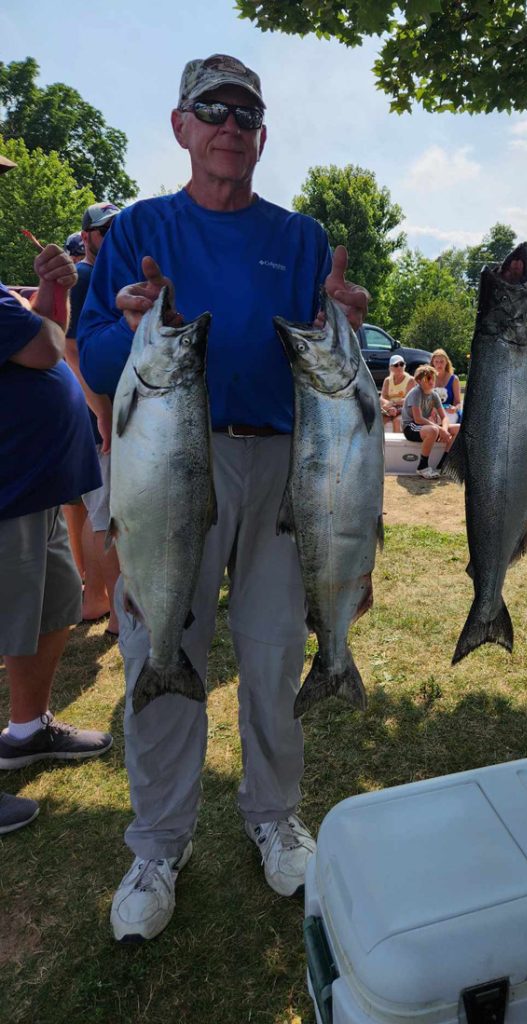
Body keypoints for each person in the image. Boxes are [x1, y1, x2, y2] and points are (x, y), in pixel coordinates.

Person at [77, 54, 369, 942]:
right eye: (213, 110)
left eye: (246, 113)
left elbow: (335, 356)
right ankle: (158, 844)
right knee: (158, 647)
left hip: (286, 463)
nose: (230, 126)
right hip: (168, 465)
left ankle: (273, 816)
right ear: (181, 126)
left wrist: (350, 315)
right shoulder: (137, 228)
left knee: (277, 652)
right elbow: (91, 356)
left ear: (262, 136)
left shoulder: (304, 236)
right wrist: (124, 324)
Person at [0, 152, 113, 836]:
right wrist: (55, 298)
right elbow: (44, 347)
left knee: (53, 608)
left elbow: (34, 333)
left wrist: (42, 295)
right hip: (7, 486)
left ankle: (25, 729)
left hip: (32, 485)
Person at [63, 202, 122, 635]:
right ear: (86, 237)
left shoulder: (102, 278)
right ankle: (113, 610)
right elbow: (70, 350)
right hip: (99, 418)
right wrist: (101, 411)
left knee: (100, 511)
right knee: (105, 514)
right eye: (105, 230)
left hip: (106, 414)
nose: (113, 236)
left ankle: (99, 599)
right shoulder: (83, 278)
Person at [402, 364, 459, 479]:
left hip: (424, 427)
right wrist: (439, 430)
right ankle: (422, 467)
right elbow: (417, 419)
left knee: (458, 428)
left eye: (433, 377)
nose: (432, 381)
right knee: (433, 430)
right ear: (418, 381)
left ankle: (443, 464)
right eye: (428, 378)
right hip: (410, 427)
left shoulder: (434, 395)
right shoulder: (416, 392)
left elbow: (445, 417)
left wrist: (444, 429)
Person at [380, 354, 414, 431]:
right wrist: (389, 407)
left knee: (397, 421)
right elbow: (382, 397)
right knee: (378, 420)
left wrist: (393, 403)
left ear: (404, 366)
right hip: (391, 408)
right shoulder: (387, 380)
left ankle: (399, 443)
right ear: (390, 368)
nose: (399, 367)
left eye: (401, 364)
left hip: (405, 409)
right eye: (396, 365)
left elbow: (409, 399)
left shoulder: (411, 380)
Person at [430, 348, 462, 422]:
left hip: (449, 412)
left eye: (442, 362)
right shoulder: (429, 378)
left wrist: (454, 408)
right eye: (436, 362)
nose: (439, 364)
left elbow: (458, 402)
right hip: (432, 411)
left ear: (446, 362)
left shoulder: (454, 379)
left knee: (448, 420)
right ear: (433, 363)